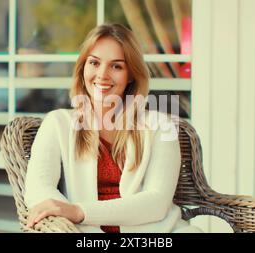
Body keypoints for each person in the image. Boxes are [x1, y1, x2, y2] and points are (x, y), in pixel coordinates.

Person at [24, 23, 201, 233]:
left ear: (131, 75)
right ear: (83, 68)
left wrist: (79, 211)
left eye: (116, 66)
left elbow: (157, 203)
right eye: (94, 63)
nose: (102, 75)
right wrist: (68, 216)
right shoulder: (58, 123)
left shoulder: (161, 126)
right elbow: (38, 190)